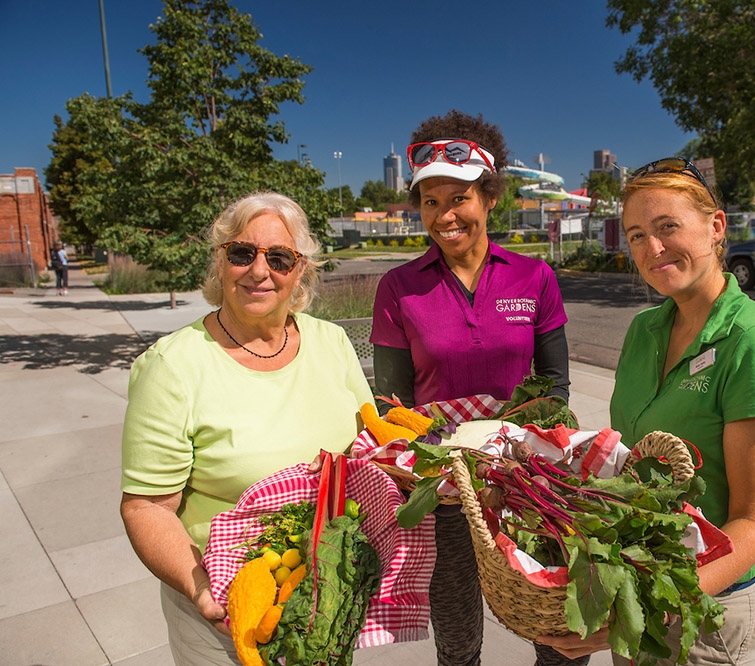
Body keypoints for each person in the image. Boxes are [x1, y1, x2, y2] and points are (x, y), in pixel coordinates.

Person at [536, 158, 755, 665]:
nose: (652, 249)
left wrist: (641, 608)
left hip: (707, 612)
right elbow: (626, 460)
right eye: (637, 235)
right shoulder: (644, 331)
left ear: (716, 227)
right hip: (642, 588)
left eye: (667, 227)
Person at [120, 191, 374, 666]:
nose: (260, 271)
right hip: (227, 613)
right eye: (242, 253)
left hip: (326, 597)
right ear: (221, 261)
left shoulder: (331, 341)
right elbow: (147, 507)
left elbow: (368, 449)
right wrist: (202, 591)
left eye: (279, 258)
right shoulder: (172, 366)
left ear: (301, 271)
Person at [370, 110, 577, 666]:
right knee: (458, 641)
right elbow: (391, 410)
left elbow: (556, 388)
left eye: (458, 198)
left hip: (527, 482)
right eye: (430, 202)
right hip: (444, 489)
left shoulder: (534, 277)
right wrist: (438, 470)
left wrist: (516, 459)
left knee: (558, 634)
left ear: (489, 198)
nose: (444, 215)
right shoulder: (399, 288)